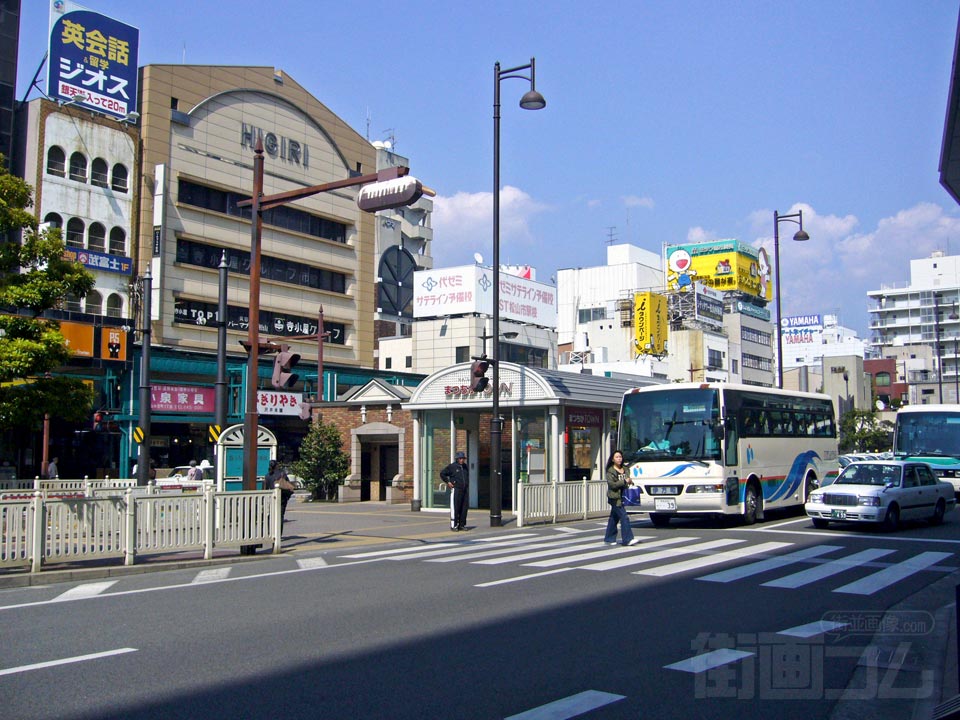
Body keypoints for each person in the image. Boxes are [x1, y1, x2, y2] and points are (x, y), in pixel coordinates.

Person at [604, 449, 639, 547]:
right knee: (624, 517)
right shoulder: (610, 471)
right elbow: (612, 485)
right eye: (617, 457)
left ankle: (609, 538)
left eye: (620, 457)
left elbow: (628, 480)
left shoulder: (625, 469)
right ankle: (628, 539)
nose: (619, 459)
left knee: (614, 518)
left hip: (624, 496)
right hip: (615, 497)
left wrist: (630, 482)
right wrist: (624, 481)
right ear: (612, 459)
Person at [440, 450, 470, 531]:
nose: (462, 460)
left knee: (464, 508)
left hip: (465, 489)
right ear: (457, 459)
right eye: (460, 458)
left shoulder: (465, 467)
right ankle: (454, 525)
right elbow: (442, 473)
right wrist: (448, 482)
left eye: (463, 458)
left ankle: (462, 525)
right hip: (456, 489)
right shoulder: (452, 466)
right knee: (455, 507)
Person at [264, 459, 295, 523]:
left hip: (272, 497)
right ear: (277, 465)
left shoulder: (267, 475)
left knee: (273, 512)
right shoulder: (282, 473)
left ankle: (271, 528)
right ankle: (279, 530)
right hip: (282, 496)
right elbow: (288, 484)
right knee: (280, 514)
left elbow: (265, 488)